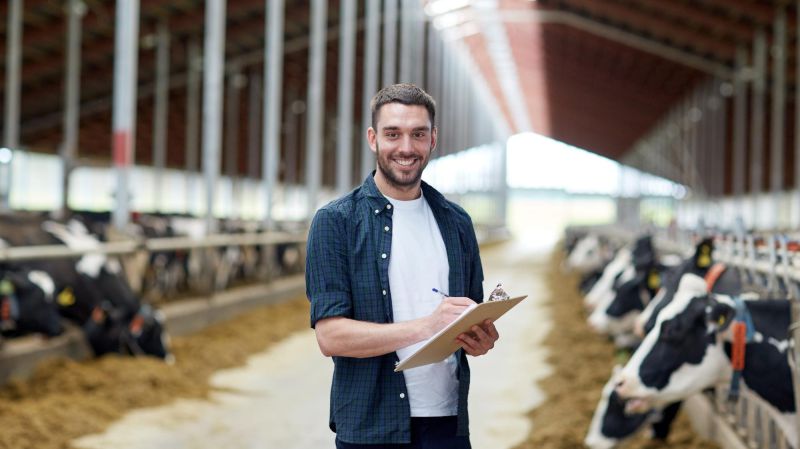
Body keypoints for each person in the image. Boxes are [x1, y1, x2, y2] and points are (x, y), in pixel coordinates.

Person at [305, 83, 499, 448]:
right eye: (393, 134)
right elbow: (331, 337)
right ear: (373, 138)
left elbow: (471, 316)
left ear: (433, 139)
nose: (406, 148)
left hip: (447, 424)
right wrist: (427, 326)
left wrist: (480, 340)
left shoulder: (457, 222)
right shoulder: (336, 221)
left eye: (418, 134)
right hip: (370, 425)